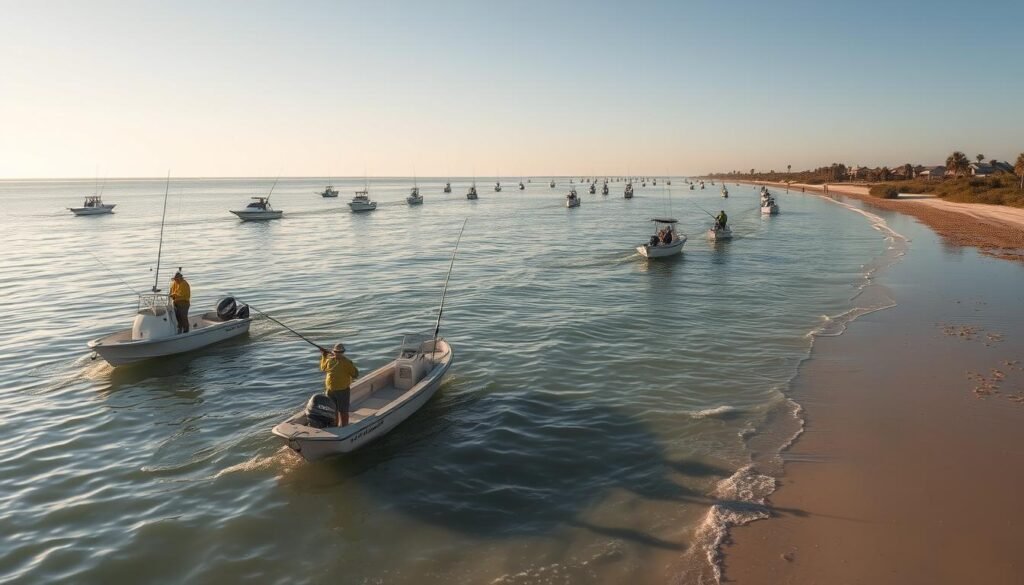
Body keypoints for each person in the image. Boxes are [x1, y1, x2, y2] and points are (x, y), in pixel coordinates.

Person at [320, 343, 359, 427]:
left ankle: (344, 426)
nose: (338, 353)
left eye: (340, 352)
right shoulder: (330, 360)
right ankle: (335, 426)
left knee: (343, 411)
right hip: (330, 390)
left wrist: (351, 365)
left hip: (342, 390)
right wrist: (324, 355)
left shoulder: (347, 362)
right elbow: (323, 368)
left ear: (343, 352)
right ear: (334, 352)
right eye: (336, 352)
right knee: (333, 410)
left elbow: (355, 374)